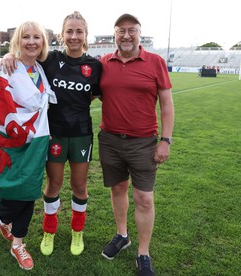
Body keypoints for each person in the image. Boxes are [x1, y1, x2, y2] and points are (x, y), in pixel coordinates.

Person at [1, 11, 102, 257]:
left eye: (79, 31)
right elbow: (27, 57)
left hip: (81, 135)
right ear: (62, 34)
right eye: (69, 31)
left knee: (79, 186)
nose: (74, 36)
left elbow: (94, 95)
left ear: (85, 35)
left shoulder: (95, 66)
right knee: (53, 184)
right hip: (52, 134)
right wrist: (8, 55)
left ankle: (77, 232)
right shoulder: (50, 59)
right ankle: (49, 231)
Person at [0, 21, 56, 271]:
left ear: (43, 42)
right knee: (12, 188)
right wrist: (6, 55)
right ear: (18, 41)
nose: (31, 42)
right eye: (25, 37)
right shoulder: (7, 66)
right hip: (11, 140)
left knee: (28, 190)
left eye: (36, 37)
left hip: (36, 141)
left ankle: (18, 242)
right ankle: (3, 218)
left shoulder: (41, 68)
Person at [98, 14, 174, 276]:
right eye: (121, 31)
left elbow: (166, 104)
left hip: (143, 142)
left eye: (132, 31)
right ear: (114, 34)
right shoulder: (104, 62)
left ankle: (143, 252)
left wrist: (165, 140)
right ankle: (122, 235)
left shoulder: (155, 62)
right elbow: (95, 93)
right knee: (118, 188)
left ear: (140, 33)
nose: (126, 36)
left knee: (143, 198)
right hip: (109, 139)